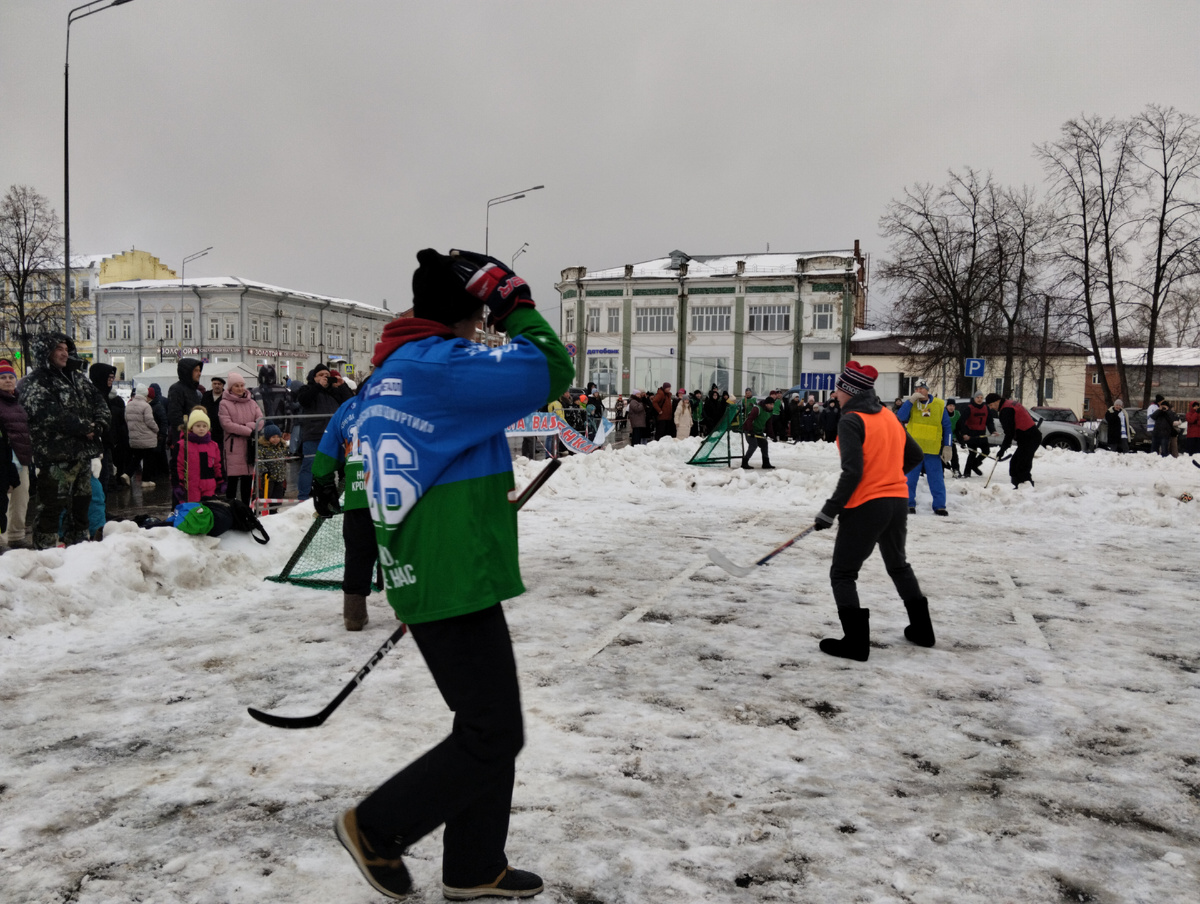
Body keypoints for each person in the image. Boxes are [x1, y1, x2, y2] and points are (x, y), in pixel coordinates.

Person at [332, 248, 571, 901]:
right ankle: (375, 827)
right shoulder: (444, 366)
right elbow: (551, 369)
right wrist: (516, 303)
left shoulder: (394, 370)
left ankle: (474, 867)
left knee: (485, 724)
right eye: (482, 311)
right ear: (470, 307)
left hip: (431, 563)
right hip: (450, 568)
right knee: (494, 731)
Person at [813, 361, 933, 661]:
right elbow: (915, 455)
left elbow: (853, 472)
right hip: (897, 502)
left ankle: (855, 643)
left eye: (839, 387)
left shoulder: (851, 420)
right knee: (898, 565)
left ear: (850, 391)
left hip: (867, 505)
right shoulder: (889, 416)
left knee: (842, 573)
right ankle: (922, 630)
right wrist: (890, 476)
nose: (835, 392)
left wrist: (830, 510)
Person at [17, 333, 111, 549]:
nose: (64, 352)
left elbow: (99, 402)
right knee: (52, 508)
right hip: (55, 458)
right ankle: (46, 556)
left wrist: (98, 425)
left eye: (66, 348)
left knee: (80, 508)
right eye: (58, 348)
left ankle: (78, 551)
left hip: (82, 456)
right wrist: (86, 428)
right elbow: (49, 414)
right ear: (45, 351)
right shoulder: (35, 382)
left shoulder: (77, 378)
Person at [310, 387, 378, 631]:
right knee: (402, 549)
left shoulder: (347, 409)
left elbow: (328, 450)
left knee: (358, 552)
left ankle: (354, 616)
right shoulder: (402, 401)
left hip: (359, 495)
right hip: (398, 492)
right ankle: (408, 610)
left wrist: (323, 482)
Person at [295, 362, 353, 500]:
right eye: (320, 375)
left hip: (334, 436)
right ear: (314, 377)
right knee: (309, 465)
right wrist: (318, 386)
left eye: (327, 375)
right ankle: (303, 496)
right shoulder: (307, 389)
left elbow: (351, 401)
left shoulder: (334, 391)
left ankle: (335, 495)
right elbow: (304, 400)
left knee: (335, 467)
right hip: (314, 434)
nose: (324, 378)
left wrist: (342, 385)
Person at [896, 381, 951, 516]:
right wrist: (909, 401)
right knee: (910, 479)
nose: (919, 391)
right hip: (914, 450)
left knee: (936, 479)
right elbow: (900, 418)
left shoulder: (939, 404)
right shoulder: (912, 404)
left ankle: (939, 506)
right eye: (917, 389)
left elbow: (947, 426)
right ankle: (908, 504)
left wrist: (948, 445)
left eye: (922, 388)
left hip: (932, 450)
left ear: (927, 390)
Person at [0, 359, 32, 548]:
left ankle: (16, 535)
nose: (7, 380)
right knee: (3, 500)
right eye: (2, 377)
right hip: (3, 459)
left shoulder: (19, 402)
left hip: (21, 457)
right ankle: (1, 539)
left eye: (10, 377)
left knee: (21, 499)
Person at [218, 371, 264, 505]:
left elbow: (260, 420)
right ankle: (231, 508)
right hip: (233, 446)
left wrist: (246, 427)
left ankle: (246, 508)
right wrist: (248, 430)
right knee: (232, 481)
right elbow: (227, 424)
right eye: (236, 385)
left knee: (247, 481)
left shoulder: (252, 402)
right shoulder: (224, 403)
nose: (240, 388)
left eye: (241, 385)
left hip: (249, 445)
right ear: (230, 388)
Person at [167, 357, 205, 495]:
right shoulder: (177, 389)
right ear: (187, 372)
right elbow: (175, 416)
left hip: (197, 440)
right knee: (182, 479)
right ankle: (179, 508)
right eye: (195, 370)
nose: (199, 373)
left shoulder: (195, 391)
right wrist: (189, 429)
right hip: (184, 441)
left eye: (199, 370)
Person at [986, 393, 1041, 488]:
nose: (991, 408)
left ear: (997, 401)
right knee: (1017, 464)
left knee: (1020, 465)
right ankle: (1020, 487)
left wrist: (1002, 450)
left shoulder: (1006, 410)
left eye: (991, 405)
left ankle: (1025, 488)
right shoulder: (1009, 403)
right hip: (1029, 437)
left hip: (1029, 438)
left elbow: (1009, 433)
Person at [88, 363, 129, 493]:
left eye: (113, 377)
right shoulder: (94, 395)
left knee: (106, 476)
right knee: (100, 478)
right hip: (97, 445)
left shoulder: (104, 395)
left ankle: (103, 511)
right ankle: (99, 512)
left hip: (106, 444)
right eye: (109, 377)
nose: (112, 380)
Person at [175, 407, 224, 504]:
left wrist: (221, 481)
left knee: (209, 510)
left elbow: (218, 465)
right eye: (198, 426)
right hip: (191, 486)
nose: (201, 428)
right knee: (194, 510)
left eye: (204, 426)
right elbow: (178, 466)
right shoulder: (183, 445)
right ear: (191, 427)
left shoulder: (213, 445)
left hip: (209, 485)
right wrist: (178, 484)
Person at [124, 385, 160, 505]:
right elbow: (150, 421)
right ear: (145, 394)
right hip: (146, 437)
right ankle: (146, 480)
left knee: (137, 457)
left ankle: (127, 474)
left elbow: (126, 419)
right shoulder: (146, 406)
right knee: (148, 458)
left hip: (134, 438)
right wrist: (157, 429)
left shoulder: (129, 405)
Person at [960, 390, 994, 476]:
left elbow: (989, 421)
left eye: (981, 398)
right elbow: (962, 422)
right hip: (971, 434)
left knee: (986, 451)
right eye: (978, 398)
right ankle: (967, 473)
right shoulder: (969, 408)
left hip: (982, 433)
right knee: (973, 453)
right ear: (974, 398)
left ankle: (974, 465)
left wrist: (993, 431)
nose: (979, 399)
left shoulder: (986, 408)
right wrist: (964, 434)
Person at [256, 424, 289, 510]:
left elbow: (286, 457)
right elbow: (260, 462)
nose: (276, 439)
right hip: (269, 478)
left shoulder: (281, 447)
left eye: (278, 437)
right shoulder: (263, 448)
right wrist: (264, 471)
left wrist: (293, 455)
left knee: (278, 497)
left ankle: (274, 511)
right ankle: (261, 509)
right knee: (267, 495)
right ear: (267, 437)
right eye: (273, 437)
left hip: (280, 477)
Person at [740, 396, 775, 469]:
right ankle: (744, 462)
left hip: (758, 431)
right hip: (749, 430)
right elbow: (749, 420)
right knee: (753, 445)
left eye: (773, 404)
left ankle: (766, 463)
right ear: (766, 404)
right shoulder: (757, 409)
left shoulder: (770, 412)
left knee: (764, 444)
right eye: (771, 404)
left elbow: (769, 425)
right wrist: (750, 431)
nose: (772, 406)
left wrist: (772, 435)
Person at [201, 375, 227, 467]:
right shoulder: (206, 395)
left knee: (219, 454)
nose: (217, 386)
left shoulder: (226, 396)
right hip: (207, 429)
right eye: (215, 383)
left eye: (219, 384)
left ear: (223, 385)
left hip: (221, 430)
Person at [944, 398, 962, 477]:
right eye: (950, 405)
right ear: (947, 406)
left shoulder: (957, 414)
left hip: (952, 438)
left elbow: (959, 428)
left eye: (953, 406)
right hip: (943, 437)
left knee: (954, 455)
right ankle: (941, 471)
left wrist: (961, 440)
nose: (951, 407)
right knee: (942, 455)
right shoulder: (943, 413)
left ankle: (956, 470)